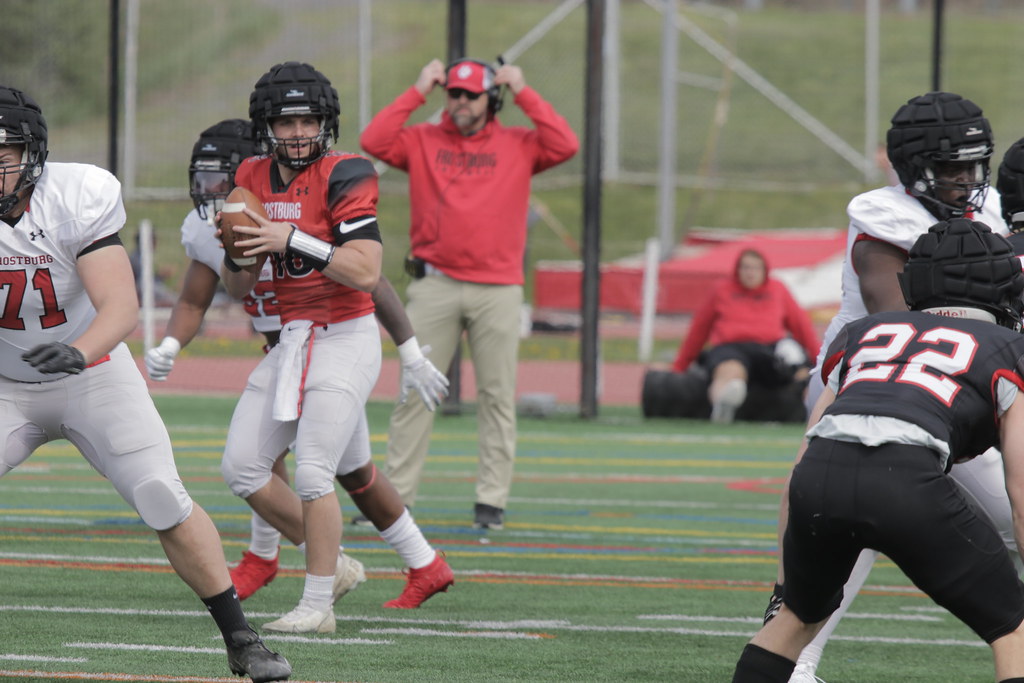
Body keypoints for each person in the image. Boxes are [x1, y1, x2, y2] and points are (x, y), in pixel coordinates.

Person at [0, 87, 290, 681]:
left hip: (93, 375)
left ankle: (240, 638)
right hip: (5, 385)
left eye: (0, 153)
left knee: (160, 493)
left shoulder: (75, 196)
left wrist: (79, 352)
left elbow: (121, 306)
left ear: (32, 154)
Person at [146, 116, 451, 607]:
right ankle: (423, 564)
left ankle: (282, 562)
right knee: (326, 468)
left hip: (330, 345)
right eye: (204, 181)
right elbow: (198, 297)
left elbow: (372, 279)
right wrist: (171, 345)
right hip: (285, 351)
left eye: (223, 181)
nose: (215, 193)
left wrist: (410, 351)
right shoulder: (207, 229)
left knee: (325, 470)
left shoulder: (301, 206)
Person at [769, 91, 1012, 683]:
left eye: (975, 166)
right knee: (853, 515)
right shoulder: (883, 221)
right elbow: (906, 322)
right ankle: (796, 658)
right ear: (913, 169)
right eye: (952, 167)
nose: (968, 180)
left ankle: (790, 655)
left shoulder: (994, 210)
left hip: (952, 390)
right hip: (867, 385)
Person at [217, 61, 455, 634]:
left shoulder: (347, 171)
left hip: (346, 335)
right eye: (285, 122)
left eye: (308, 120)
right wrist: (237, 250)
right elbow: (236, 287)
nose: (298, 132)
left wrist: (290, 237)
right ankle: (363, 565)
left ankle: (317, 603)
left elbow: (367, 270)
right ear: (265, 127)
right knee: (242, 467)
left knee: (316, 472)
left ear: (326, 122)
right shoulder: (249, 174)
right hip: (293, 340)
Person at [733, 218, 1024, 682]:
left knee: (794, 619)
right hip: (907, 482)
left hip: (820, 480)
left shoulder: (864, 334)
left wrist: (789, 583)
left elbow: (802, 462)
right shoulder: (1009, 349)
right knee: (1014, 630)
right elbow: (1021, 495)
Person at [360, 57, 579, 530]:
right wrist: (419, 89)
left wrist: (523, 89)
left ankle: (491, 502)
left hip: (498, 287)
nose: (459, 102)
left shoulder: (519, 143)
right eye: (452, 94)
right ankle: (394, 501)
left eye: (470, 95)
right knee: (415, 392)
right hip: (434, 282)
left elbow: (566, 143)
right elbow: (373, 140)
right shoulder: (422, 138)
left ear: (491, 100)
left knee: (497, 396)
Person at [670, 248, 819, 424]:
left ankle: (814, 407)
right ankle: (723, 404)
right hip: (731, 348)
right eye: (746, 268)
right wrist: (680, 366)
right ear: (737, 270)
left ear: (764, 270)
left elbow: (801, 326)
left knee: (796, 363)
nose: (750, 273)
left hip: (769, 349)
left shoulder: (777, 289)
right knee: (731, 372)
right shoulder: (722, 290)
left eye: (756, 268)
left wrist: (820, 362)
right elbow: (699, 329)